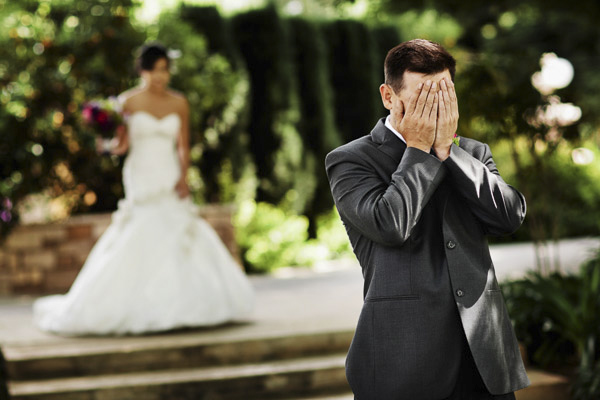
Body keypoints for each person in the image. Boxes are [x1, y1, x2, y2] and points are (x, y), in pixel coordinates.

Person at [325, 39, 530, 399]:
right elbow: (390, 225)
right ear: (389, 96)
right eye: (423, 96)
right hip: (404, 359)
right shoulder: (350, 160)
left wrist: (449, 151)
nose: (435, 106)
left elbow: (509, 217)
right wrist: (419, 149)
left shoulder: (473, 152)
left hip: (483, 356)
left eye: (444, 94)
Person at [33, 43, 255, 335]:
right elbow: (122, 145)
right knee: (140, 230)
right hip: (140, 175)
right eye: (154, 69)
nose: (160, 76)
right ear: (143, 71)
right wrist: (105, 142)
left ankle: (187, 306)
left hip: (169, 172)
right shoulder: (127, 102)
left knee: (177, 230)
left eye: (164, 70)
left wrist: (184, 178)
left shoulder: (179, 103)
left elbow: (183, 145)